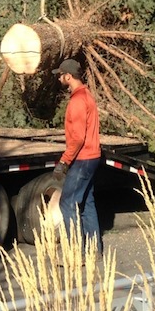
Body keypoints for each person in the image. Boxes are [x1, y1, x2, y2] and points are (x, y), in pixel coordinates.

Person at [51, 58, 103, 253]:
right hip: (92, 157)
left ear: (69, 76)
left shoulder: (78, 101)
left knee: (67, 203)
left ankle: (75, 253)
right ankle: (93, 251)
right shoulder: (87, 95)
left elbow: (78, 138)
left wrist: (64, 161)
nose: (59, 79)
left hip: (82, 159)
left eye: (61, 75)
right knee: (87, 203)